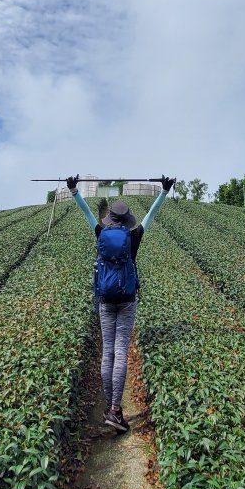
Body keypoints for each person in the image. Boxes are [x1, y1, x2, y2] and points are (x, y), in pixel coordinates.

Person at [67, 174, 175, 433]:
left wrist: (73, 190)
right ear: (126, 220)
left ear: (109, 219)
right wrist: (163, 191)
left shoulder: (101, 233)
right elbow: (151, 214)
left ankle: (108, 408)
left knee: (108, 353)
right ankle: (116, 410)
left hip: (105, 299)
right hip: (127, 299)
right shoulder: (133, 236)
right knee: (121, 352)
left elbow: (86, 213)